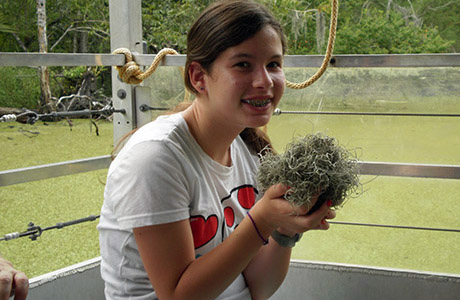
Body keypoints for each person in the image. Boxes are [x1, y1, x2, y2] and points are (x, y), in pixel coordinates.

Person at [97, 1, 336, 299]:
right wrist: (261, 220)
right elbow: (177, 296)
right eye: (243, 64)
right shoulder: (155, 157)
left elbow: (260, 287)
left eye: (273, 64)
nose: (265, 81)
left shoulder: (250, 152)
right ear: (199, 77)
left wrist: (285, 230)